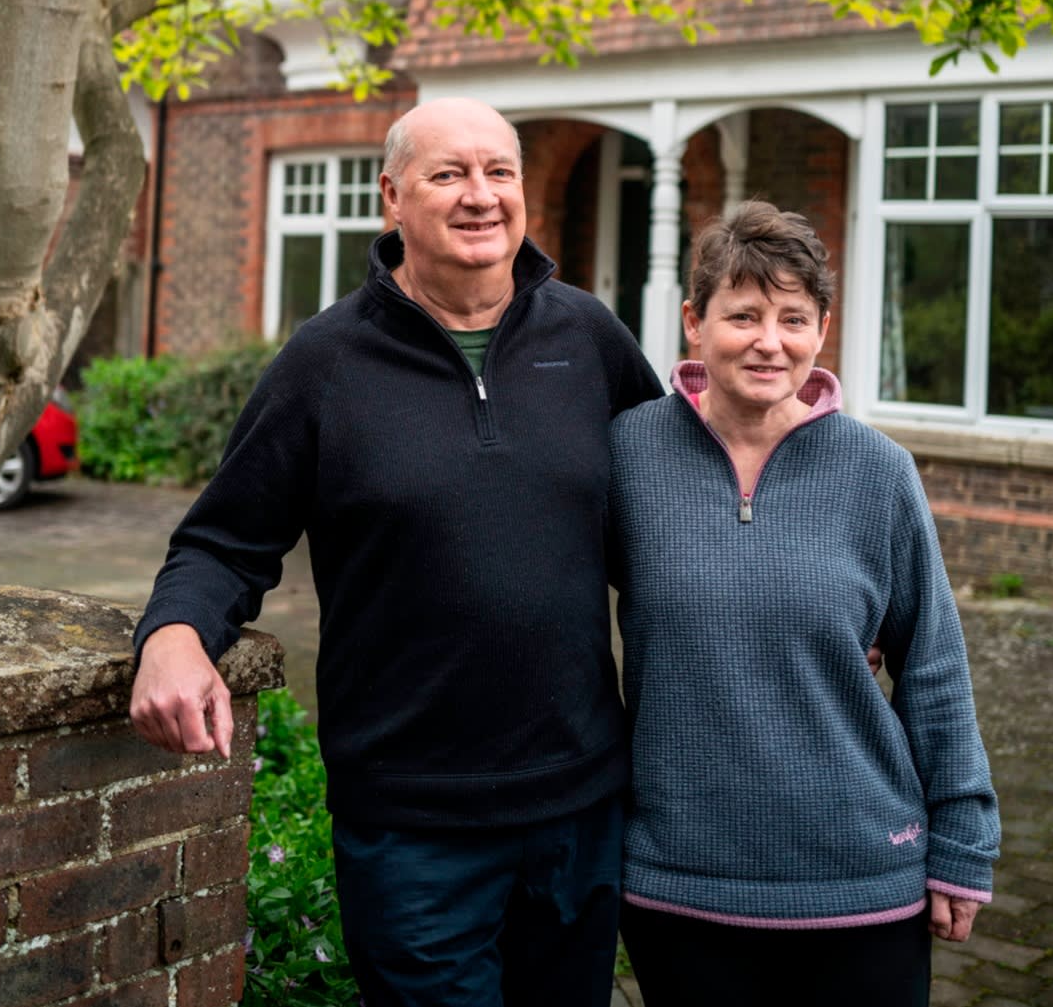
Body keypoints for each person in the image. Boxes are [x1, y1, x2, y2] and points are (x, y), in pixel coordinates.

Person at [129, 96, 664, 1006]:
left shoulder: (590, 339)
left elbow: (670, 520)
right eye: (447, 173)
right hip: (413, 825)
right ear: (392, 197)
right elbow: (225, 536)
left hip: (577, 806)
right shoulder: (325, 363)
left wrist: (795, 612)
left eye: (499, 172)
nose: (480, 195)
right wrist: (174, 631)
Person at [608, 201, 1000, 1007]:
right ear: (694, 320)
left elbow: (932, 664)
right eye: (743, 314)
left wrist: (963, 842)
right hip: (681, 880)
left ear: (822, 327)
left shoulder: (879, 472)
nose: (769, 340)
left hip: (861, 879)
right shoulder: (628, 455)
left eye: (794, 317)